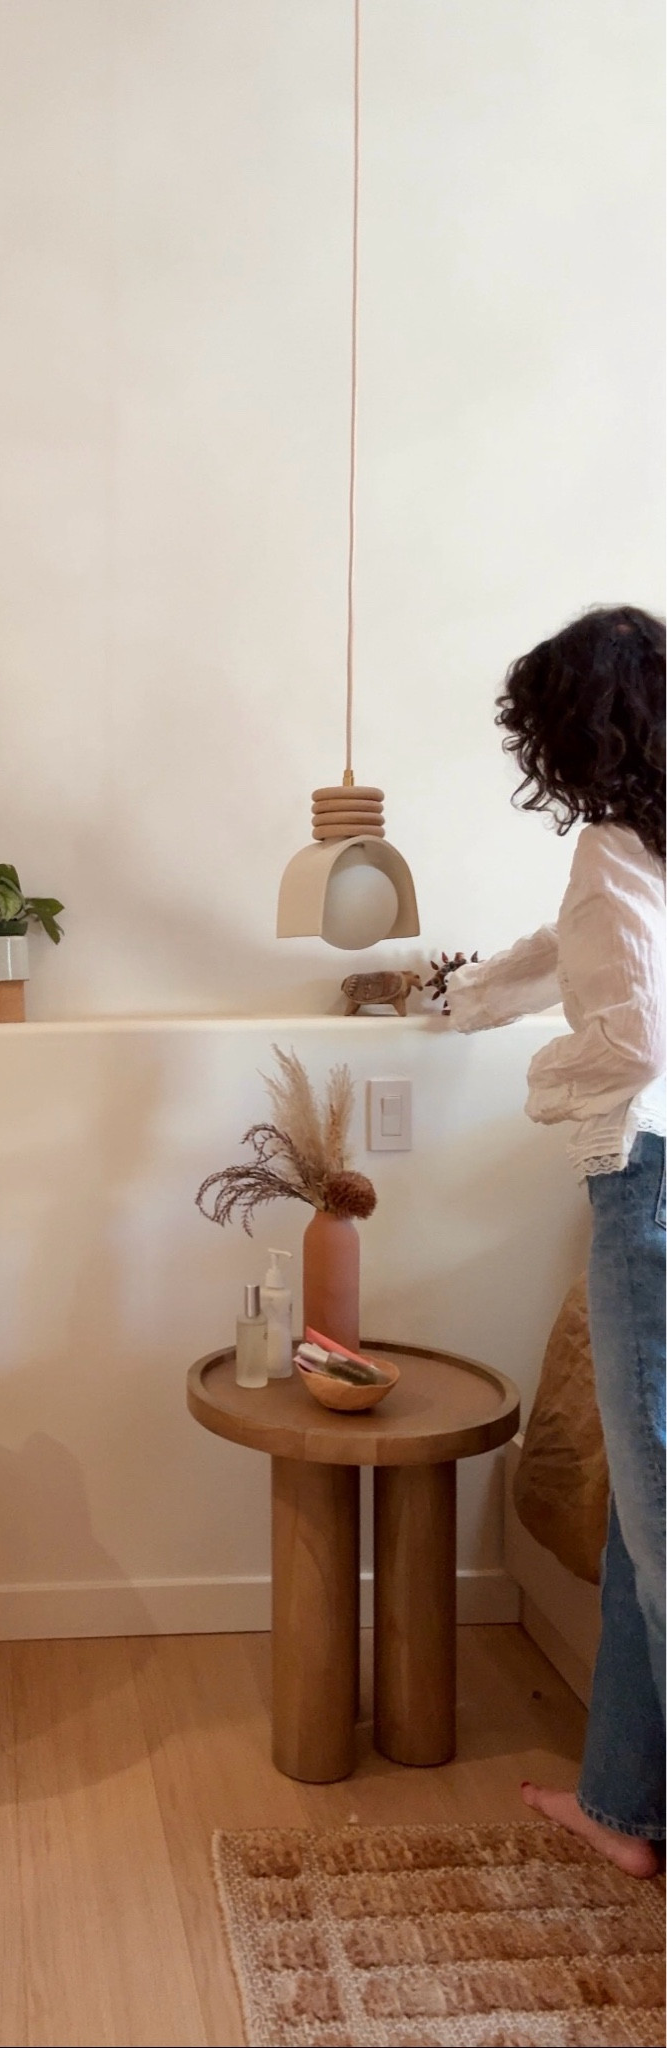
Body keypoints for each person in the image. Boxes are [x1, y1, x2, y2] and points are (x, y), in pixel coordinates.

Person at [447, 604, 665, 1879]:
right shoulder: (637, 848)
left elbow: (628, 1038)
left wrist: (543, 1078)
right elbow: (577, 954)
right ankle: (621, 1807)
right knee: (638, 1527)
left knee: (658, 1523)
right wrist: (470, 995)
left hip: (647, 1184)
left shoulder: (606, 846)